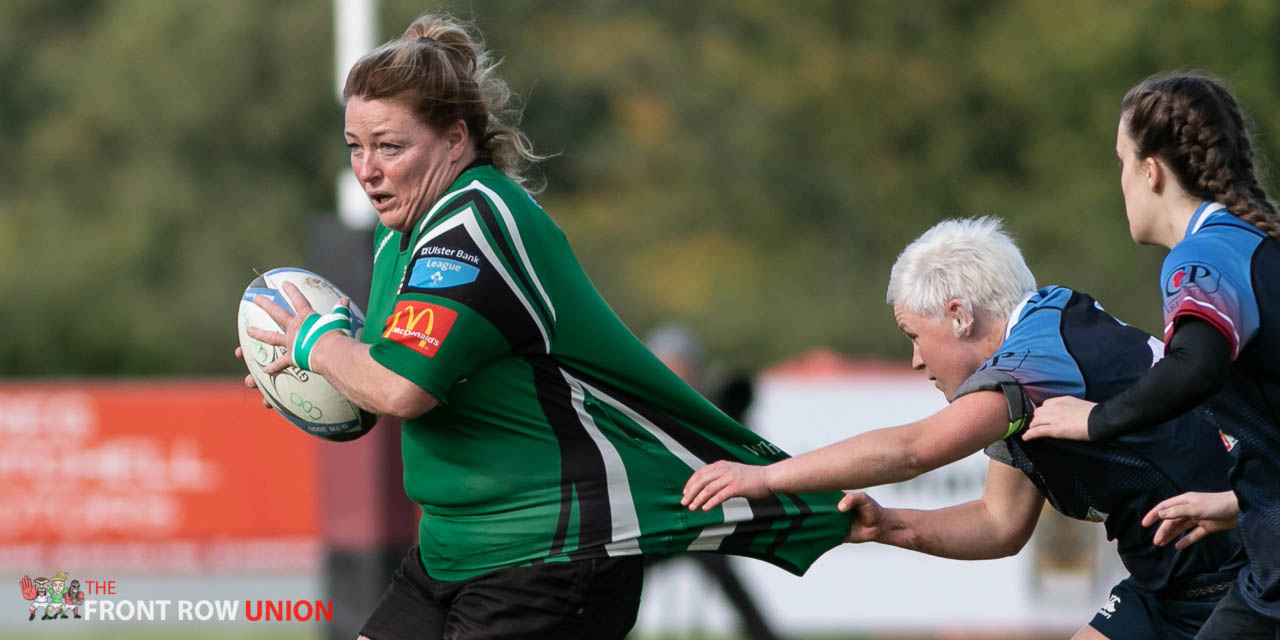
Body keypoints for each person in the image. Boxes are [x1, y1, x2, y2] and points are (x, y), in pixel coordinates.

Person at [237, 14, 851, 640]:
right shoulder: (407, 234)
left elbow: (401, 387)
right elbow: (384, 382)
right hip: (455, 552)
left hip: (551, 557)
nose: (366, 169)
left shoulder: (470, 227)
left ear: (454, 140)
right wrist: (303, 371)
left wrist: (316, 341)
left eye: (390, 147)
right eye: (355, 147)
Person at [682, 217, 1245, 639]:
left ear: (958, 316)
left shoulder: (1035, 361)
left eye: (913, 335)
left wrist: (763, 477)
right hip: (1166, 590)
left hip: (1241, 583)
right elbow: (998, 523)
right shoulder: (1040, 355)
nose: (915, 361)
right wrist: (890, 524)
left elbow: (913, 450)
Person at [1023, 72, 1280, 639]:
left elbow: (1194, 365)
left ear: (1150, 169)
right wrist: (1240, 502)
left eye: (1121, 161)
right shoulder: (1253, 245)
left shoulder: (1202, 257)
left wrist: (1094, 420)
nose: (1120, 180)